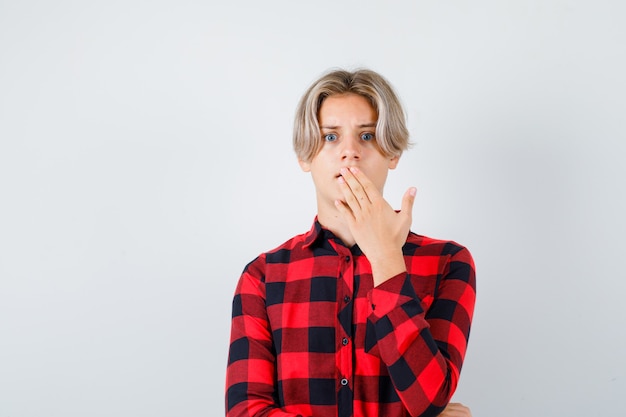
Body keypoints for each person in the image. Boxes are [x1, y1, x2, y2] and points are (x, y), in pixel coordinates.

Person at [225, 68, 476, 417]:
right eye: (330, 137)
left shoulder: (448, 262)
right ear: (304, 156)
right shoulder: (263, 276)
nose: (350, 152)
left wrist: (387, 258)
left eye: (368, 136)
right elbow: (246, 412)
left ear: (393, 153)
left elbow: (428, 399)